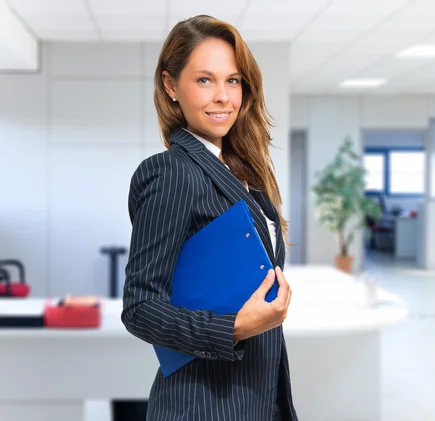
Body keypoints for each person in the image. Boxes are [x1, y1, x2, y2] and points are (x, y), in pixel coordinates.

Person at [121, 14, 297, 421]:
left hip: (256, 397)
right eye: (205, 80)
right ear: (171, 86)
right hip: (202, 405)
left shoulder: (239, 170)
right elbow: (140, 307)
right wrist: (233, 327)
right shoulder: (172, 172)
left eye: (232, 80)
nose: (223, 96)